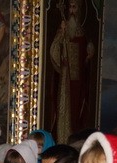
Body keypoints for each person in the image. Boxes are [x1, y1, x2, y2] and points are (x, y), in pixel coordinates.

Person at [48, 0, 95, 143]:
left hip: (78, 81)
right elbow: (54, 50)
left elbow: (85, 59)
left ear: (79, 9)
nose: (72, 10)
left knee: (76, 110)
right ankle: (61, 138)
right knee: (63, 108)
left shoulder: (82, 33)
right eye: (70, 7)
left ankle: (73, 139)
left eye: (74, 7)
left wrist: (89, 55)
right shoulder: (63, 29)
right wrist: (61, 36)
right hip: (64, 78)